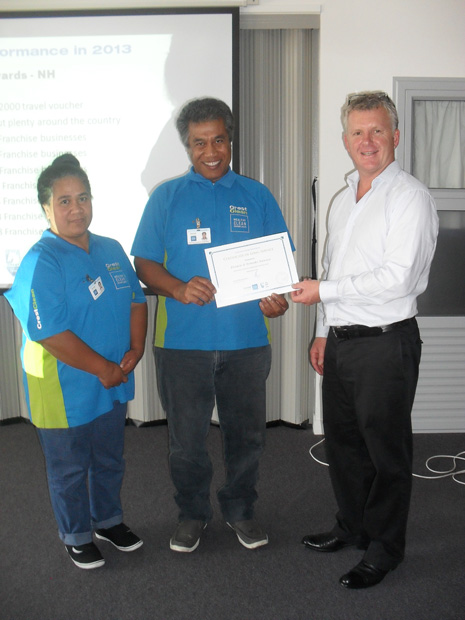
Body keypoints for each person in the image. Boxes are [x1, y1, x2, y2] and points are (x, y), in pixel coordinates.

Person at [291, 91, 438, 589]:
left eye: (377, 130)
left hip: (386, 343)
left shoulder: (410, 198)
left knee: (385, 452)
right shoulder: (343, 199)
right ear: (345, 140)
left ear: (395, 136)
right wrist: (322, 331)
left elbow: (397, 278)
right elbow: (333, 268)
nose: (367, 141)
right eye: (357, 132)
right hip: (342, 341)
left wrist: (323, 293)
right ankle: (352, 526)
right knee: (345, 444)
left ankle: (385, 547)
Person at [132, 97, 292, 553]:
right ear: (187, 146)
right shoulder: (167, 196)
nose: (211, 151)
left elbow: (279, 265)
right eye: (199, 142)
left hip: (246, 344)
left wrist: (277, 300)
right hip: (183, 345)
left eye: (218, 139)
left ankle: (241, 510)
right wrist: (179, 288)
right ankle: (192, 514)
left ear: (230, 138)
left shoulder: (257, 195)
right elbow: (143, 262)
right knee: (186, 443)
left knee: (247, 437)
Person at [5, 154, 148, 570]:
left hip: (113, 378)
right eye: (63, 201)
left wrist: (136, 350)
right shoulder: (41, 260)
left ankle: (107, 521)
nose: (75, 208)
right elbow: (48, 331)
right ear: (45, 208)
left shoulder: (110, 248)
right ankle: (76, 533)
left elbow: (137, 301)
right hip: (62, 385)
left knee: (109, 459)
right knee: (68, 468)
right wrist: (104, 368)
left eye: (82, 197)